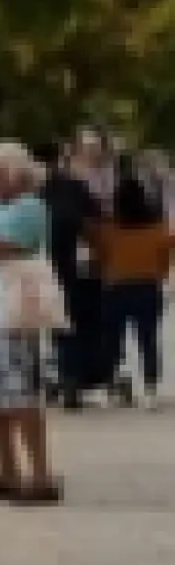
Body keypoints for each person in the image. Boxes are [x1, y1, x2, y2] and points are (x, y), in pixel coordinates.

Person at [0, 140, 63, 503]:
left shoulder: (30, 206)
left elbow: (11, 245)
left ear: (14, 173)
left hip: (12, 310)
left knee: (20, 393)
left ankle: (41, 476)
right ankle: (6, 471)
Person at [49, 133, 115, 407]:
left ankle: (73, 377)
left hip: (66, 270)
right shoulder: (75, 190)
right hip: (82, 269)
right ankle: (84, 376)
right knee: (85, 322)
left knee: (69, 324)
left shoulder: (54, 191)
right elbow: (99, 225)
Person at [103, 157, 172, 403]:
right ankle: (151, 387)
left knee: (114, 337)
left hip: (116, 286)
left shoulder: (109, 230)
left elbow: (99, 255)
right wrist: (160, 273)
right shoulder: (157, 229)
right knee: (148, 338)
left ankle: (115, 382)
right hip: (147, 286)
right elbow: (167, 255)